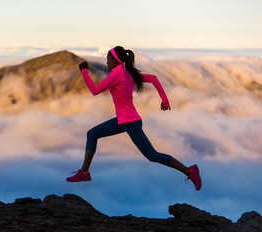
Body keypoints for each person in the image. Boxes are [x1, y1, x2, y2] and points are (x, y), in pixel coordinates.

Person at [66, 46, 202, 191]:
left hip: (130, 122)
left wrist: (84, 72)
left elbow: (95, 90)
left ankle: (190, 171)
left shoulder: (116, 74)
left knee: (153, 155)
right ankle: (84, 173)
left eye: (108, 59)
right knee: (92, 134)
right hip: (122, 120)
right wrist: (165, 100)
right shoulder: (127, 73)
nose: (106, 63)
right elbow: (154, 79)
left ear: (114, 60)